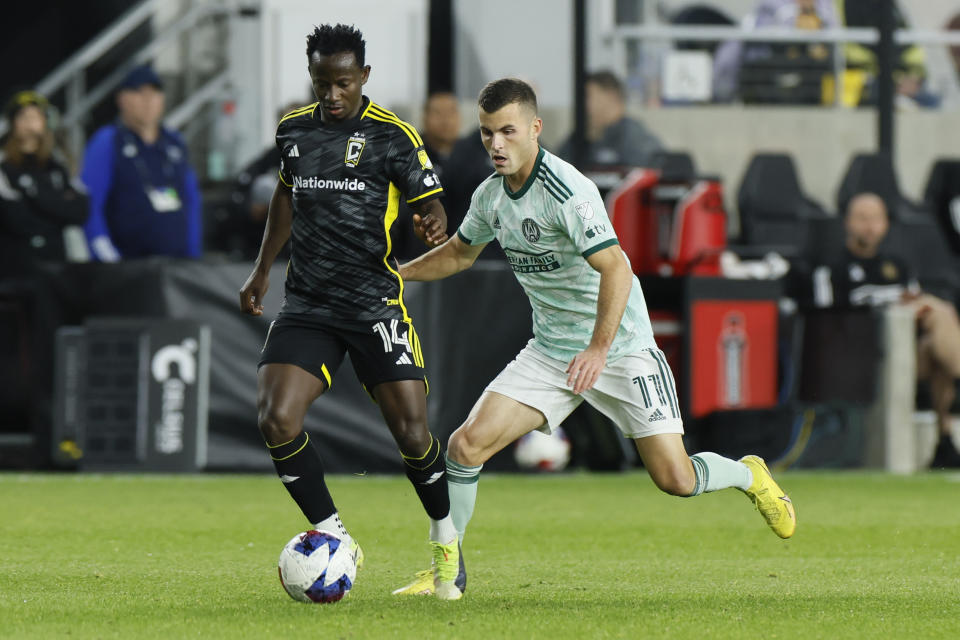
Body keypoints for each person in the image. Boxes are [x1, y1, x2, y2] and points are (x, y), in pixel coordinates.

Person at [393, 78, 796, 598]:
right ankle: (447, 571)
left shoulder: (567, 190)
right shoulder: (490, 196)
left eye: (508, 132)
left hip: (621, 349)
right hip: (552, 351)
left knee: (675, 479)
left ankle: (748, 474)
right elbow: (458, 254)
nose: (496, 144)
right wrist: (396, 274)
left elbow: (617, 270)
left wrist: (600, 349)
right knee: (466, 445)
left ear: (535, 129)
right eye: (488, 133)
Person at [237, 24, 463, 600]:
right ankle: (336, 535)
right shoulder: (293, 131)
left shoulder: (392, 136)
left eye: (342, 83)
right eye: (321, 83)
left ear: (363, 77)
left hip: (372, 304)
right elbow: (287, 194)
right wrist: (264, 267)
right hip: (309, 304)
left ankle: (446, 541)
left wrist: (432, 220)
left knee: (413, 434)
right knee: (275, 418)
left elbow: (429, 201)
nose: (331, 95)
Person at [811, 193, 960, 467]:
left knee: (938, 326)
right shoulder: (832, 268)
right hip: (857, 355)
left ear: (886, 224)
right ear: (848, 222)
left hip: (902, 355)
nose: (870, 226)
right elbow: (827, 322)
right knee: (940, 315)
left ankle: (945, 441)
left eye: (876, 219)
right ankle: (945, 439)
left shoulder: (897, 267)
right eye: (862, 218)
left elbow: (914, 310)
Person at [81, 65, 202, 261]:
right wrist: (109, 261)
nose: (148, 101)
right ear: (122, 99)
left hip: (177, 269)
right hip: (130, 270)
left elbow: (191, 201)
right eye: (139, 93)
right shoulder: (108, 141)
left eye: (155, 93)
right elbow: (89, 205)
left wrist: (194, 254)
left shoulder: (175, 142)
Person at [0, 90, 89, 274]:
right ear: (13, 123)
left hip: (57, 266)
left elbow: (80, 211)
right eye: (23, 116)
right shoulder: (5, 166)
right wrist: (57, 206)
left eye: (36, 116)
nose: (30, 123)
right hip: (17, 268)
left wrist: (34, 194)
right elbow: (19, 221)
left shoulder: (58, 164)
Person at [556, 71, 663, 168]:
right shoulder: (578, 138)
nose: (583, 105)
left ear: (611, 96)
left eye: (588, 96)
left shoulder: (635, 139)